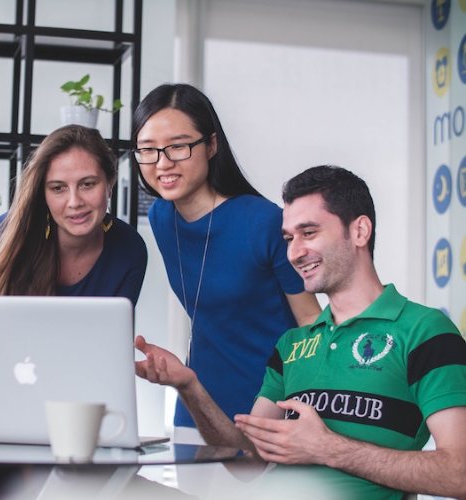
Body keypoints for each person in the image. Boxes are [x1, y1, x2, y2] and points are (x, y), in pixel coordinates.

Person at [135, 165, 466, 499]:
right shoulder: (292, 344)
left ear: (360, 231)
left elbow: (459, 474)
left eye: (309, 233)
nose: (294, 252)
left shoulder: (424, 331)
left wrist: (327, 449)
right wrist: (189, 385)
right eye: (289, 238)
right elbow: (247, 462)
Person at [131, 83, 320, 440]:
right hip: (197, 407)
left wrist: (301, 407)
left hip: (271, 408)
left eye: (178, 146)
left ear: (212, 144)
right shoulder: (160, 217)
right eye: (148, 150)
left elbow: (310, 322)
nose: (163, 163)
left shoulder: (263, 221)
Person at [0, 124, 147, 306]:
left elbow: (114, 332)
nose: (74, 202)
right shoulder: (1, 236)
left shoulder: (130, 248)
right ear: (43, 193)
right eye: (58, 188)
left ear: (109, 183)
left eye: (87, 184)